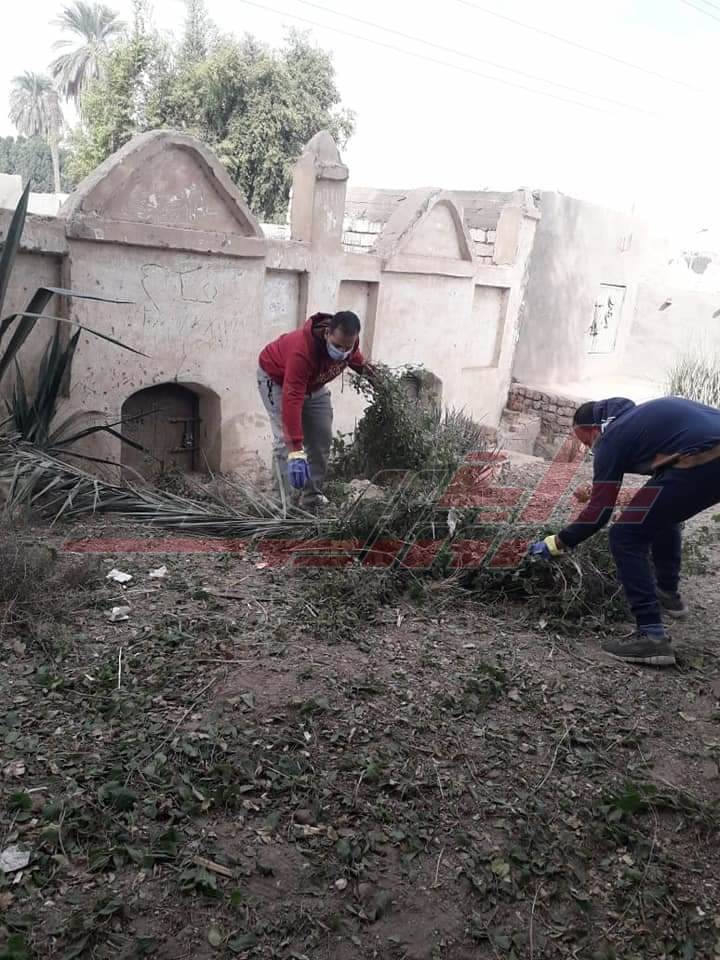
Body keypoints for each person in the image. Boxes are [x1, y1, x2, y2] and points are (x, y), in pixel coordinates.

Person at [530, 396, 720, 666]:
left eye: (587, 442)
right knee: (660, 515)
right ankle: (668, 593)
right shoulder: (637, 422)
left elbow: (598, 513)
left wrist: (556, 543)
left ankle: (651, 636)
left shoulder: (611, 438)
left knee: (625, 535)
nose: (591, 449)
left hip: (704, 456)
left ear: (594, 429)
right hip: (701, 454)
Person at [257, 310, 374, 510]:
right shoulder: (302, 351)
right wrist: (295, 449)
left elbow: (360, 364)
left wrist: (383, 385)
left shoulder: (350, 347)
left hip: (314, 385)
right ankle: (280, 504)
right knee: (285, 444)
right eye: (337, 346)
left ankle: (311, 498)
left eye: (347, 347)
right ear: (327, 333)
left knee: (321, 437)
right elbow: (292, 399)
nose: (342, 352)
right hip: (277, 380)